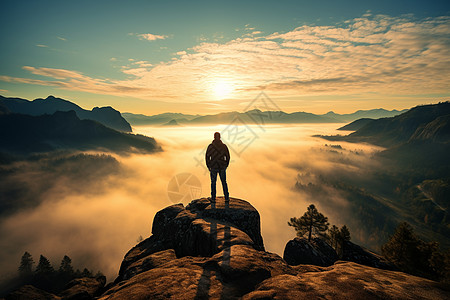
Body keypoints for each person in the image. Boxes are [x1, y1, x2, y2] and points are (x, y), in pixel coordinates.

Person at [205, 132, 230, 203]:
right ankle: (226, 198)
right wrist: (225, 165)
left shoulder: (210, 146)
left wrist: (209, 166)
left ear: (214, 137)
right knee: (224, 182)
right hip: (222, 167)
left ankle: (213, 198)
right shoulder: (224, 146)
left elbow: (207, 157)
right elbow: (227, 156)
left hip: (213, 167)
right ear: (220, 137)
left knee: (213, 183)